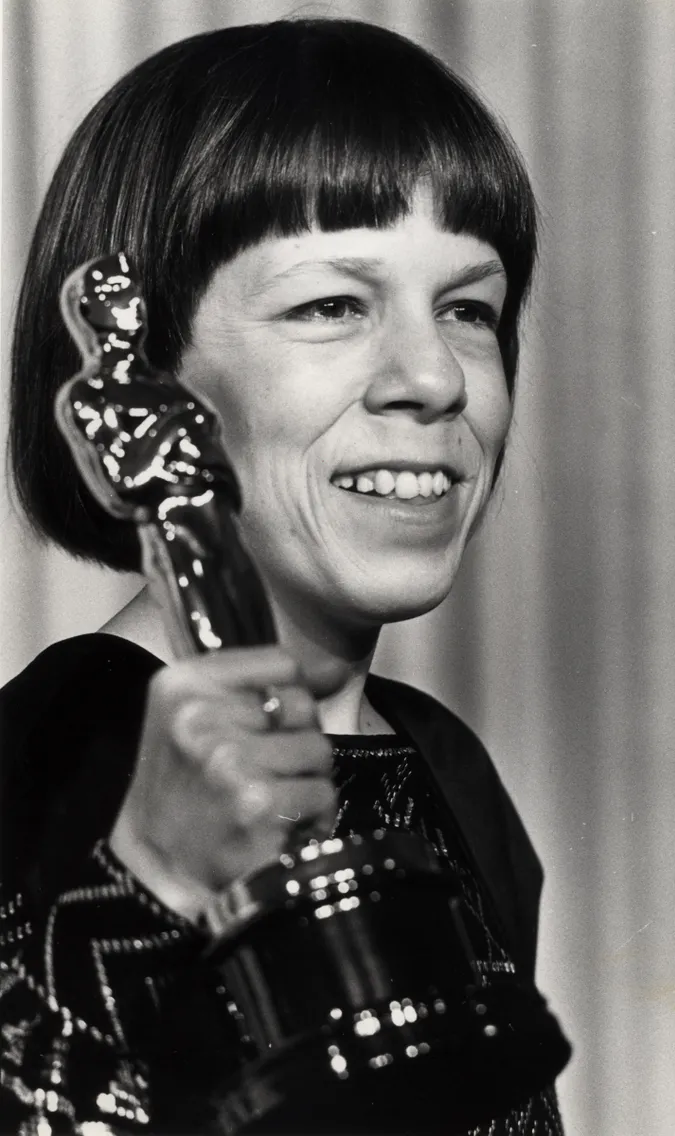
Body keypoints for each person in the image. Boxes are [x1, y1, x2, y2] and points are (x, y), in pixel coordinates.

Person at [0, 18, 569, 1135]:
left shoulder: (449, 772)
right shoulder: (56, 753)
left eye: (470, 309)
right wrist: (148, 883)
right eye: (330, 306)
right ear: (148, 378)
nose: (434, 379)